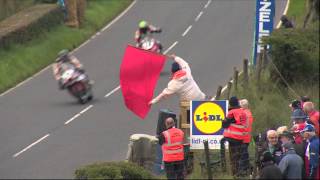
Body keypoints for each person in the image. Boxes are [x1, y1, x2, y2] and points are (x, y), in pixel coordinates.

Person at [222, 96, 248, 176]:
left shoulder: (231, 112)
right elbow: (245, 125)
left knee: (224, 146)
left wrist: (223, 121)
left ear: (230, 104)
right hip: (240, 138)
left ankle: (225, 166)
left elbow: (225, 125)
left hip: (231, 137)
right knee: (237, 156)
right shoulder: (243, 112)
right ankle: (237, 173)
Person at [239, 99, 254, 176]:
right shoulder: (249, 112)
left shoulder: (243, 114)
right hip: (247, 137)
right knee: (244, 154)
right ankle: (249, 169)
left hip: (242, 137)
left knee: (242, 156)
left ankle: (243, 172)